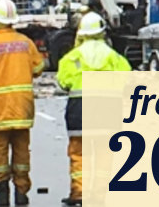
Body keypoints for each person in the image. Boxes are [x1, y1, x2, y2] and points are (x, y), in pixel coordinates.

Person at [56, 12, 131, 206]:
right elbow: (127, 80)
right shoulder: (114, 57)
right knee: (104, 154)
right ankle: (99, 196)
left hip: (79, 110)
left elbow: (63, 82)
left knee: (79, 154)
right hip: (107, 111)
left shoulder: (72, 57)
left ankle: (79, 193)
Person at [0, 0, 45, 207]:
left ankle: (2, 191)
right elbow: (38, 68)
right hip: (22, 106)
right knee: (21, 150)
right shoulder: (26, 43)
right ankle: (21, 191)